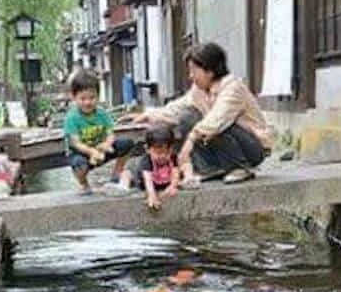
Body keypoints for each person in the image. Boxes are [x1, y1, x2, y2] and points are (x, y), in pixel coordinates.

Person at [133, 43, 271, 185]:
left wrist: (190, 142)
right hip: (227, 139)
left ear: (209, 71)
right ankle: (210, 169)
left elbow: (217, 119)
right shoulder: (199, 90)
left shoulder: (232, 87)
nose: (190, 76)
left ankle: (240, 167)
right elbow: (178, 108)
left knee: (216, 125)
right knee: (187, 116)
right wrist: (149, 115)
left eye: (193, 71)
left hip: (252, 147)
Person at [63, 68, 134, 193]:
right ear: (74, 97)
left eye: (92, 98)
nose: (88, 102)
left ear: (98, 96)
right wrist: (91, 152)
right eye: (83, 99)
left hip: (101, 148)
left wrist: (107, 144)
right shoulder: (72, 117)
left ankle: (116, 173)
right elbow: (75, 142)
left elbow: (110, 133)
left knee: (126, 143)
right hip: (81, 152)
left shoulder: (101, 113)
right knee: (79, 164)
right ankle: (83, 183)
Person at [132, 123, 181, 209]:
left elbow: (175, 173)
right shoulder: (147, 161)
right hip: (142, 181)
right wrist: (152, 195)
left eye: (166, 153)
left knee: (186, 167)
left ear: (171, 149)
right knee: (129, 174)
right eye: (158, 153)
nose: (162, 156)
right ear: (147, 149)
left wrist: (172, 186)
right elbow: (148, 180)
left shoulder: (173, 157)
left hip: (163, 181)